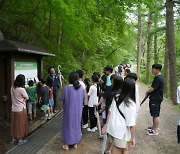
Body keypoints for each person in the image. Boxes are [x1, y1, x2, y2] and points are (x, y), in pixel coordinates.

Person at [102, 77, 136, 154]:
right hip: (120, 132)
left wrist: (106, 124)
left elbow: (110, 112)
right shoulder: (131, 104)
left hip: (112, 128)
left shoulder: (116, 97)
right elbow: (132, 125)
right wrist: (133, 138)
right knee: (117, 148)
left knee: (124, 148)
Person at [60, 72, 85, 150]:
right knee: (76, 125)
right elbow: (83, 99)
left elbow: (62, 99)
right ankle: (75, 143)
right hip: (78, 111)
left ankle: (67, 144)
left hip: (68, 111)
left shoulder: (66, 88)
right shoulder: (81, 88)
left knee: (68, 125)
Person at [146, 64, 164, 136]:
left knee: (155, 114)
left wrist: (147, 92)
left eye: (153, 69)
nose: (152, 70)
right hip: (155, 98)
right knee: (154, 114)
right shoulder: (158, 77)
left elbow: (153, 88)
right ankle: (153, 127)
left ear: (157, 70)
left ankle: (155, 130)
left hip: (156, 98)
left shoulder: (158, 78)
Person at [10, 74, 29, 145]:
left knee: (14, 124)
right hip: (21, 109)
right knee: (20, 124)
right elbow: (27, 98)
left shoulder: (12, 88)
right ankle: (20, 140)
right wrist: (23, 99)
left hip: (13, 108)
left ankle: (13, 139)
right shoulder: (22, 89)